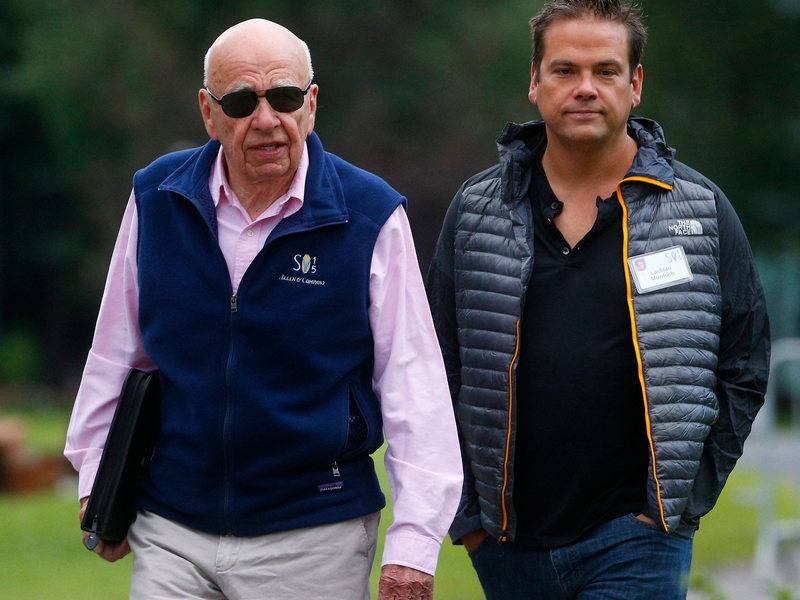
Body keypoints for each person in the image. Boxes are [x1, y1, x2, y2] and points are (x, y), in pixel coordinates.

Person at [65, 19, 462, 600]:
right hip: (171, 529)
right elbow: (117, 350)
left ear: (311, 105)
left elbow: (412, 382)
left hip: (315, 536)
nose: (266, 118)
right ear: (208, 111)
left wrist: (414, 546)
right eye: (241, 101)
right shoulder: (155, 198)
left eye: (283, 97)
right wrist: (98, 484)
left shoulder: (371, 213)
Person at [426, 1, 770, 598]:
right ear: (534, 82)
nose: (585, 88)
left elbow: (744, 364)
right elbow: (435, 366)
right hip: (506, 543)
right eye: (565, 70)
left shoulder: (702, 211)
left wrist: (682, 499)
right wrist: (469, 518)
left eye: (606, 71)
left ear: (635, 85)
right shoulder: (477, 211)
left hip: (636, 538)